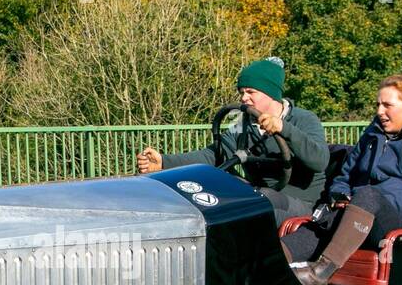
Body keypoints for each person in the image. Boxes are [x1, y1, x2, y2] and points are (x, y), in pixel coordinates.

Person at [285, 75, 402, 285]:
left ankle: (319, 276)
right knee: (321, 225)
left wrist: (373, 199)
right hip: (359, 215)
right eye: (378, 104)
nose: (379, 111)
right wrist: (340, 193)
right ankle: (266, 271)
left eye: (387, 105)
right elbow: (345, 174)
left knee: (369, 195)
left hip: (401, 229)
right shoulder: (372, 134)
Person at [137, 58, 330, 224]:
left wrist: (284, 128)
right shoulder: (243, 126)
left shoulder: (304, 119)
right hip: (262, 195)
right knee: (215, 197)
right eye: (241, 92)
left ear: (270, 93)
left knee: (257, 205)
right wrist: (164, 162)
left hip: (301, 203)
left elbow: (319, 160)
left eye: (250, 91)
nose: (243, 97)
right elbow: (214, 155)